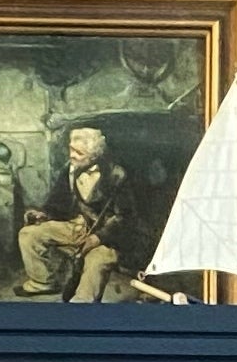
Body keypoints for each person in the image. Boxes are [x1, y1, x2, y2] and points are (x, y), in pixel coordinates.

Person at [15, 127, 142, 301]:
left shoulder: (116, 175)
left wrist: (97, 238)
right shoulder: (70, 169)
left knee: (97, 261)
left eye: (79, 153)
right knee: (29, 234)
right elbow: (57, 202)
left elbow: (125, 218)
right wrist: (43, 214)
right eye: (71, 150)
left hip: (108, 237)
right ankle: (42, 282)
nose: (72, 156)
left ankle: (82, 304)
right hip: (80, 226)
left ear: (94, 155)